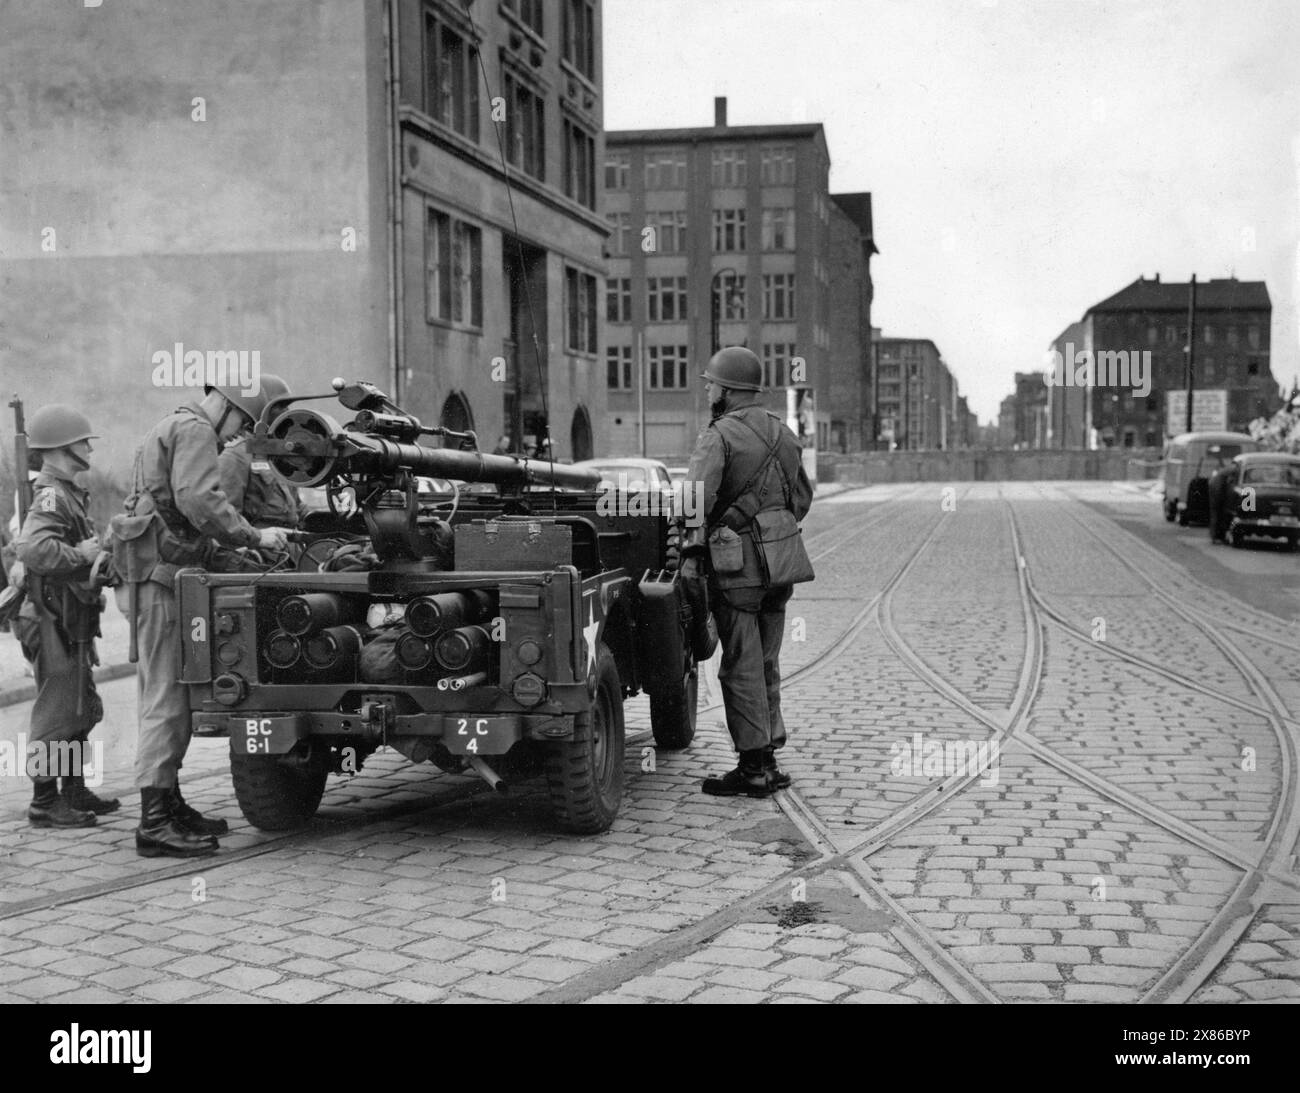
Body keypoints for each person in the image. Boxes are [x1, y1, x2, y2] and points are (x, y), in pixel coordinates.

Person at [110, 382, 291, 857]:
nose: (239, 439)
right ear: (233, 410)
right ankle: (153, 822)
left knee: (172, 693)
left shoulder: (170, 424)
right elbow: (199, 502)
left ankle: (169, 803)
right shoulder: (194, 430)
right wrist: (253, 536)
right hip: (163, 581)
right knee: (167, 699)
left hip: (158, 577)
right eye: (246, 426)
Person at [679, 346, 813, 797]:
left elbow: (694, 503)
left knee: (741, 666)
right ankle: (769, 758)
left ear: (729, 389)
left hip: (737, 570)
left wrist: (694, 548)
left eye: (712, 383)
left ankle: (752, 767)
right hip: (781, 566)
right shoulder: (785, 434)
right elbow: (801, 502)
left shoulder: (720, 435)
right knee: (768, 661)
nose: (708, 389)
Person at [11, 405, 116, 827]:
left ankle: (72, 790)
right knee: (57, 710)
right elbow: (34, 550)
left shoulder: (68, 492)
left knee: (79, 706)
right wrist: (83, 555)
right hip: (50, 618)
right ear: (59, 449)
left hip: (66, 617)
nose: (89, 448)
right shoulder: (53, 495)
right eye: (82, 441)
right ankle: (44, 801)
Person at [218, 373, 301, 539]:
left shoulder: (280, 452)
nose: (287, 412)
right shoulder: (236, 455)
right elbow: (226, 519)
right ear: (260, 409)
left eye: (287, 406)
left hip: (289, 549)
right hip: (258, 552)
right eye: (280, 406)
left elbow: (295, 508)